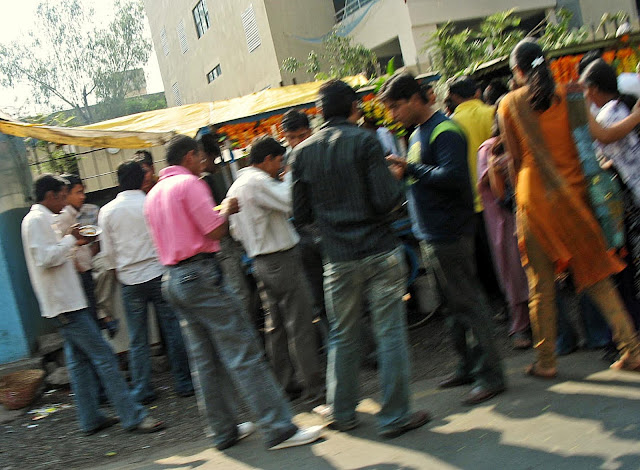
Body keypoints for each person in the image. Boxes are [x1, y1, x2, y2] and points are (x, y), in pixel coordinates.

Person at [144, 135, 322, 450]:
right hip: (200, 274)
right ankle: (279, 427)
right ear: (189, 156)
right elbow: (215, 229)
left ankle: (223, 430)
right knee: (243, 352)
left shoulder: (155, 194)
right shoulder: (190, 185)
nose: (204, 162)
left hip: (173, 278)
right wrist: (225, 208)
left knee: (205, 360)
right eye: (200, 156)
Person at [292, 79, 430, 437]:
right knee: (390, 334)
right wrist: (396, 177)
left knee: (341, 335)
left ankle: (343, 412)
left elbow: (300, 214)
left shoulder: (302, 152)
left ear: (319, 113)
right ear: (353, 108)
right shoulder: (365, 141)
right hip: (379, 250)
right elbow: (386, 199)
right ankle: (396, 415)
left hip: (337, 257)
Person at [498, 38, 640, 377]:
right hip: (575, 198)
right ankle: (632, 351)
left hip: (535, 198)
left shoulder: (509, 104)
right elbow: (602, 137)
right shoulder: (573, 94)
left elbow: (515, 160)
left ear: (517, 71)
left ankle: (546, 361)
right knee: (597, 277)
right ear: (546, 63)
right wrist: (635, 116)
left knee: (541, 284)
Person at [382, 73, 506, 405]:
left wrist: (410, 170)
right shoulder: (419, 134)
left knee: (469, 303)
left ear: (414, 99)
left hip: (450, 232)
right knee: (452, 307)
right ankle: (466, 365)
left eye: (396, 107)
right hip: (431, 232)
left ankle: (490, 374)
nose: (393, 115)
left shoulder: (445, 130)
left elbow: (452, 177)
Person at [21, 174, 163, 434]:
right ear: (51, 196)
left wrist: (73, 243)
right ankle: (133, 416)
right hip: (64, 303)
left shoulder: (43, 219)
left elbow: (56, 257)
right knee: (104, 356)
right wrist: (70, 240)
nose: (65, 204)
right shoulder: (36, 220)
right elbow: (45, 258)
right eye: (62, 197)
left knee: (80, 362)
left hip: (67, 301)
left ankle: (90, 418)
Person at [226, 136, 324, 404]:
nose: (280, 167)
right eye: (278, 161)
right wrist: (291, 176)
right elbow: (291, 202)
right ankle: (313, 386)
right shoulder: (258, 182)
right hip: (280, 257)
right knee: (300, 323)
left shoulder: (236, 186)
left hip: (260, 261)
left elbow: (235, 231)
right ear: (267, 159)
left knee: (277, 326)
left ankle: (285, 383)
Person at [98, 160, 193, 405]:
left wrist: (118, 270)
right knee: (173, 330)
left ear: (119, 181)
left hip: (130, 280)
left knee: (138, 339)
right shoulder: (151, 202)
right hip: (159, 272)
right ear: (142, 180)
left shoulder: (107, 211)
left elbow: (107, 254)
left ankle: (143, 389)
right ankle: (184, 382)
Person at [580, 58, 640, 330]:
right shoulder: (628, 104)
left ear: (592, 88)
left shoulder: (608, 116)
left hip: (629, 202)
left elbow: (602, 141)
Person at [449, 75, 505, 309]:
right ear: (477, 92)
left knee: (484, 259)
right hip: (501, 194)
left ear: (453, 97)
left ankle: (498, 304)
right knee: (506, 255)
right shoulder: (493, 113)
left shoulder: (450, 123)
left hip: (471, 201)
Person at [477, 123, 531, 349]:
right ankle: (519, 327)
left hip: (524, 216)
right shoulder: (489, 149)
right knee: (513, 272)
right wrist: (503, 163)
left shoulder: (519, 142)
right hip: (503, 220)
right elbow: (489, 183)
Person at [280, 110, 328, 346]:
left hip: (329, 230)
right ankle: (336, 347)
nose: (297, 142)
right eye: (292, 138)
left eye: (302, 135)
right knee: (318, 298)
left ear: (310, 131)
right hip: (304, 237)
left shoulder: (323, 150)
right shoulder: (288, 163)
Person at [57, 174, 118, 337]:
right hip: (77, 268)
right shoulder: (62, 217)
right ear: (66, 194)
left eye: (83, 192)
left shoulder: (90, 210)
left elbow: (98, 239)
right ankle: (102, 317)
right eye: (78, 193)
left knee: (105, 267)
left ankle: (102, 314)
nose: (82, 197)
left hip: (91, 257)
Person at [199, 133, 251, 315]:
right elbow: (218, 212)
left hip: (218, 245)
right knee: (240, 292)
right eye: (214, 158)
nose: (217, 163)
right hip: (223, 243)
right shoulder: (206, 181)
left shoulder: (202, 181)